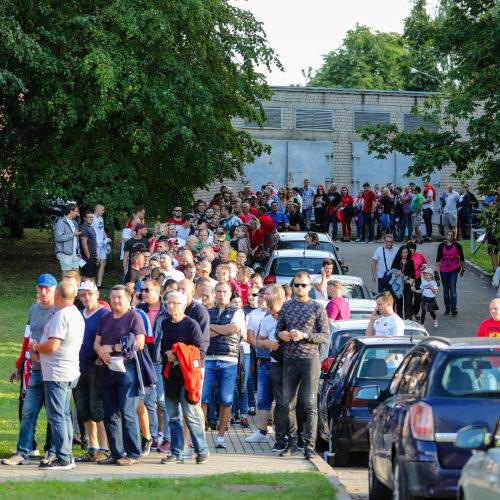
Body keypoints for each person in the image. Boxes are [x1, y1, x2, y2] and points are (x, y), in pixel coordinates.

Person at [3, 274, 58, 466]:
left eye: (48, 288)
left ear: (54, 290)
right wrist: (27, 355)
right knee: (28, 411)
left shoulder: (59, 311)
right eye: (41, 288)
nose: (44, 292)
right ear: (37, 289)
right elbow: (30, 338)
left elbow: (60, 342)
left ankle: (53, 451)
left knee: (54, 414)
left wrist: (40, 352)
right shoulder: (33, 309)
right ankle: (22, 451)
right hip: (35, 369)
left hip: (54, 371)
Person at [29, 281, 85, 470]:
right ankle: (67, 454)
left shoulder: (62, 315)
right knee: (65, 414)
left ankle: (63, 457)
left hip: (57, 372)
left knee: (57, 416)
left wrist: (36, 347)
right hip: (68, 370)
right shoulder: (76, 313)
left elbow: (52, 345)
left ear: (58, 296)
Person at [277, 272, 330, 459]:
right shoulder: (286, 306)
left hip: (309, 360)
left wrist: (305, 335)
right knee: (287, 403)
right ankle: (291, 442)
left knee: (309, 403)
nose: (300, 288)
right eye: (297, 285)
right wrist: (282, 335)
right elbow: (278, 330)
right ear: (292, 286)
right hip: (290, 359)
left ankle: (309, 446)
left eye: (304, 285)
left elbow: (325, 336)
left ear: (309, 287)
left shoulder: (317, 308)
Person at [93, 285, 146, 466]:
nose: (116, 300)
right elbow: (97, 343)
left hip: (127, 367)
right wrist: (102, 352)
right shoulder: (106, 317)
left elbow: (139, 343)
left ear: (128, 298)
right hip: (107, 367)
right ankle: (116, 453)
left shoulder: (134, 317)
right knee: (109, 412)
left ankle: (134, 453)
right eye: (113, 297)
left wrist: (114, 348)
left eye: (119, 297)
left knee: (127, 411)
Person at [160, 292, 209, 465]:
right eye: (168, 302)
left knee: (191, 415)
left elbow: (200, 351)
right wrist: (168, 358)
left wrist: (179, 354)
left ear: (182, 305)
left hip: (187, 377)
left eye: (174, 303)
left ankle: (202, 450)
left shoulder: (191, 325)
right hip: (170, 377)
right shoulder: (165, 323)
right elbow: (162, 350)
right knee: (173, 416)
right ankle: (176, 452)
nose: (170, 306)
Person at [201, 282, 245, 449]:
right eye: (218, 291)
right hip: (209, 358)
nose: (221, 294)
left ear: (230, 293)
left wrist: (211, 327)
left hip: (229, 359)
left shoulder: (237, 311)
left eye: (224, 291)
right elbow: (202, 333)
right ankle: (202, 437)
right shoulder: (207, 311)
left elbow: (232, 329)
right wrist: (221, 329)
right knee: (203, 398)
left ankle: (221, 436)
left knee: (225, 400)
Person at [74, 281, 110, 463]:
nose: (86, 298)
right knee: (83, 408)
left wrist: (101, 358)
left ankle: (104, 447)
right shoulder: (78, 315)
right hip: (78, 366)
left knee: (98, 408)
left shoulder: (105, 314)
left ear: (96, 294)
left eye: (89, 293)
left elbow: (110, 338)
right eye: (82, 295)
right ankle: (92, 447)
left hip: (97, 366)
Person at [136, 280, 171, 453]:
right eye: (141, 290)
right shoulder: (139, 310)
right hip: (144, 361)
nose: (143, 293)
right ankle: (153, 436)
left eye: (147, 290)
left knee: (163, 401)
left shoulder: (167, 311)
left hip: (161, 360)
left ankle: (168, 438)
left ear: (158, 292)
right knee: (148, 401)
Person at [436, 230, 465, 315]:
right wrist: (437, 270)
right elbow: (438, 259)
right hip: (443, 270)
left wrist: (463, 269)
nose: (450, 237)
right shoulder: (441, 246)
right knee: (445, 289)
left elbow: (462, 258)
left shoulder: (458, 246)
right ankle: (447, 308)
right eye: (449, 235)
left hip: (453, 269)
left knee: (452, 288)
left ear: (454, 236)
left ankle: (454, 308)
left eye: (452, 235)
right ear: (446, 236)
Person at [54, 203, 81, 276]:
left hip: (75, 254)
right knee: (67, 275)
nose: (77, 213)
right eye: (76, 211)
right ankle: (64, 287)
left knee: (76, 275)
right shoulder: (61, 222)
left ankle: (75, 288)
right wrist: (73, 235)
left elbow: (76, 240)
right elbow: (58, 237)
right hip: (65, 254)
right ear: (71, 211)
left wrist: (78, 251)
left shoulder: (74, 223)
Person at [390, 245, 415, 320]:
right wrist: (396, 273)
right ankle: (399, 319)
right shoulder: (396, 261)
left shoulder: (411, 262)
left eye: (406, 252)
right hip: (398, 286)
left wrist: (413, 284)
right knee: (399, 303)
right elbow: (392, 272)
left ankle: (408, 319)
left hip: (408, 284)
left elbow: (413, 274)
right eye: (403, 252)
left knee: (408, 302)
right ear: (400, 253)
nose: (405, 254)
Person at [406, 241, 427, 321]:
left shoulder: (420, 255)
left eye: (413, 249)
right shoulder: (405, 256)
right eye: (410, 249)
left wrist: (423, 267)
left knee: (418, 297)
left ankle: (416, 312)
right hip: (409, 279)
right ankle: (410, 314)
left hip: (418, 278)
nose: (411, 251)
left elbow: (425, 264)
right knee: (409, 296)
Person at [92, 203, 109, 289]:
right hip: (96, 244)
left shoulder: (101, 218)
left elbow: (102, 230)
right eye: (102, 210)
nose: (103, 211)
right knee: (96, 263)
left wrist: (107, 239)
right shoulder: (92, 218)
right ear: (97, 209)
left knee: (103, 262)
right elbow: (90, 232)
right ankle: (92, 283)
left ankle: (99, 284)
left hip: (102, 244)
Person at [79, 211, 98, 281]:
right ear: (84, 218)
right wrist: (89, 257)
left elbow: (94, 243)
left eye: (92, 217)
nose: (91, 219)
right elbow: (84, 244)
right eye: (89, 217)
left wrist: (96, 255)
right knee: (86, 277)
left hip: (93, 256)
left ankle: (92, 291)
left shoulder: (91, 227)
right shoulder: (83, 228)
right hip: (86, 257)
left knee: (93, 276)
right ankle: (84, 291)